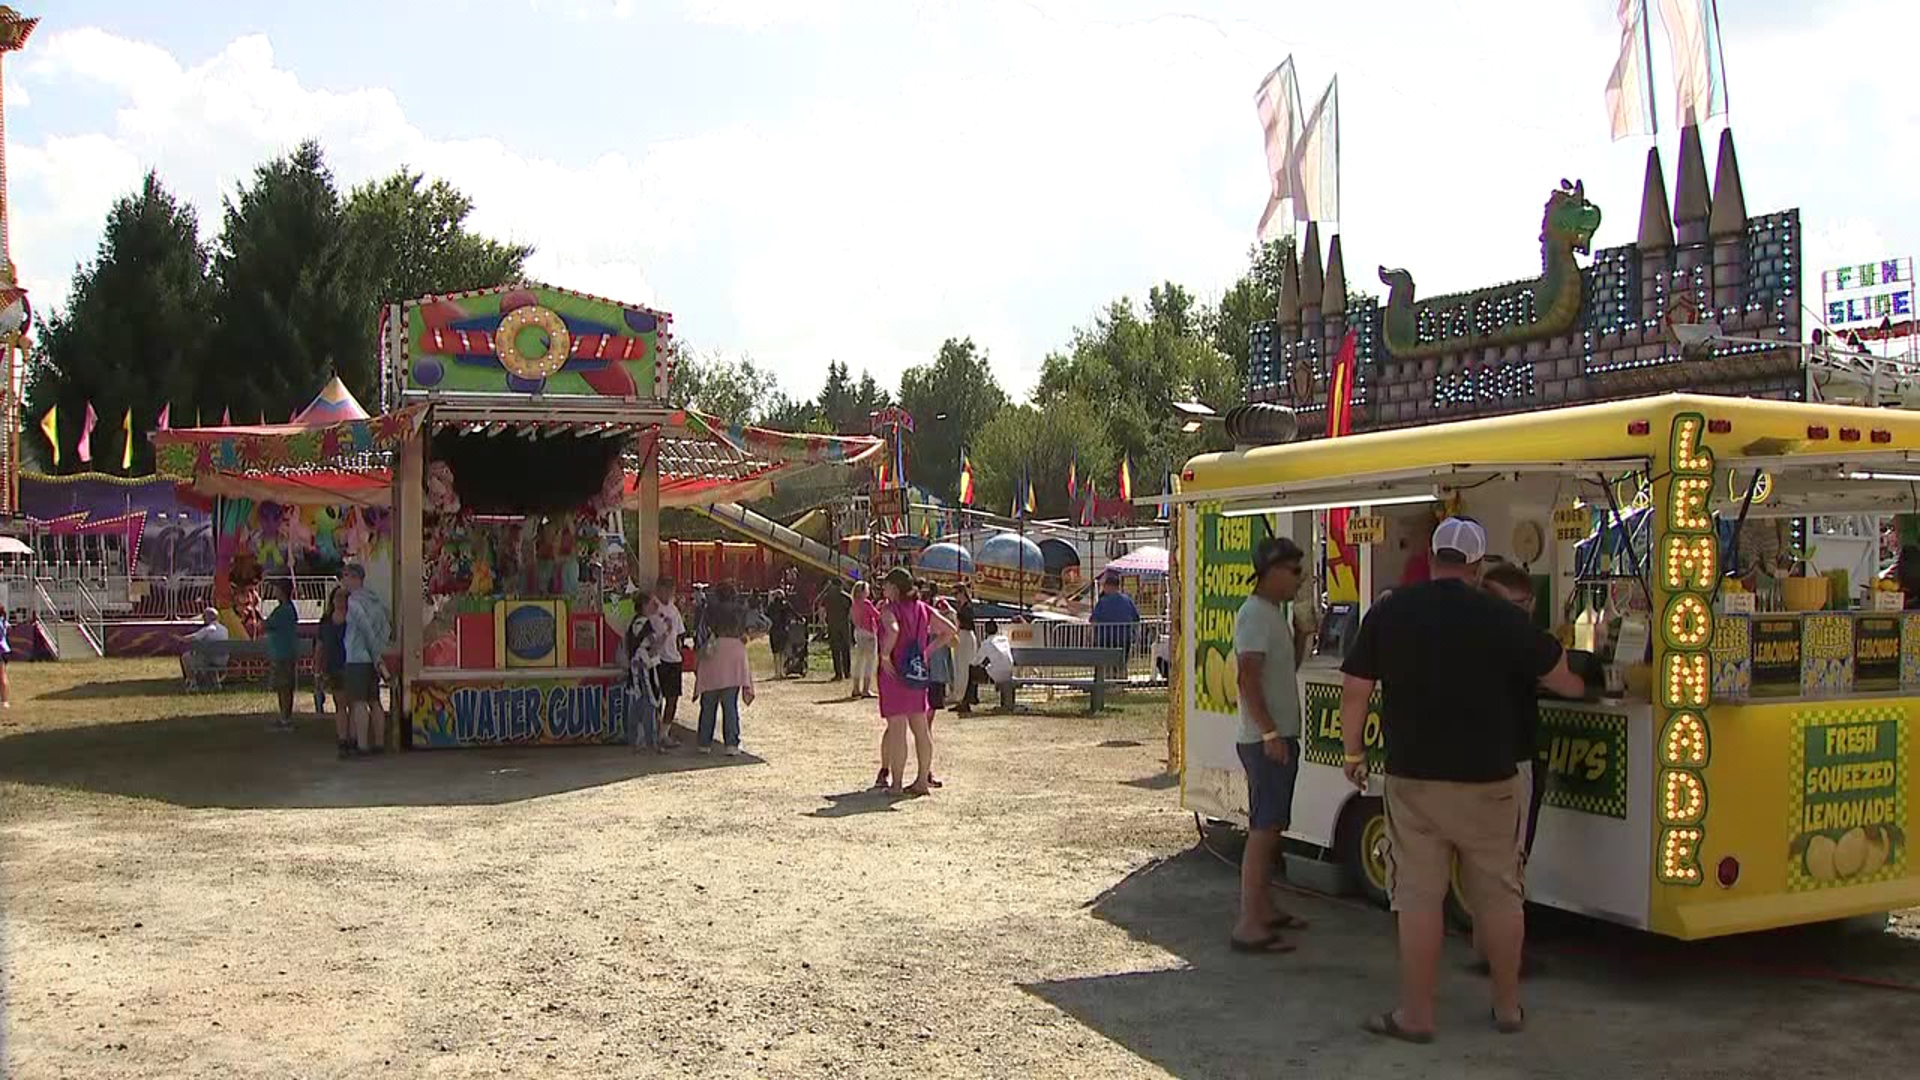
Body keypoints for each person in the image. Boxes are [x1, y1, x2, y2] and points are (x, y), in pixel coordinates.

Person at [1338, 518, 1583, 1043]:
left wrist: (1353, 752)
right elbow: (1564, 678)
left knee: (1419, 900)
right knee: (1499, 896)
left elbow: (1355, 688)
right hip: (1489, 781)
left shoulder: (1391, 611)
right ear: (1475, 567)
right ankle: (1508, 1007)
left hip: (1414, 781)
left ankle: (1417, 1016)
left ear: (1431, 557)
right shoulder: (1502, 617)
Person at [1228, 538, 1313, 955]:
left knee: (1273, 825)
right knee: (1264, 829)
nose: (1300, 581)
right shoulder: (1255, 616)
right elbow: (1247, 678)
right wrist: (1269, 733)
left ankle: (1265, 907)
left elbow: (1282, 671)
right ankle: (1249, 922)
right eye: (1295, 572)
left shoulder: (1271, 615)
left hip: (1274, 736)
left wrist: (1301, 637)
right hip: (1266, 741)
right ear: (1272, 572)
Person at [875, 567, 955, 796]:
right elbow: (949, 631)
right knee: (921, 728)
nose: (883, 588)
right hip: (917, 671)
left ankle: (897, 784)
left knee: (897, 729)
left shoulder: (890, 609)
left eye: (886, 584)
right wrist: (926, 652)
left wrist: (885, 655)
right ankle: (922, 780)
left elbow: (892, 630)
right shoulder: (923, 608)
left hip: (895, 674)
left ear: (895, 588)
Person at [693, 582, 759, 754]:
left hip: (713, 650)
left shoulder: (709, 610)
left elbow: (700, 633)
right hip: (735, 652)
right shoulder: (741, 610)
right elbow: (763, 623)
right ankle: (731, 743)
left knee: (708, 702)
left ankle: (704, 743)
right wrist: (747, 636)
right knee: (730, 704)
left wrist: (698, 653)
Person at [341, 564, 391, 759]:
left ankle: (362, 745)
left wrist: (375, 655)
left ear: (355, 578)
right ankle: (379, 742)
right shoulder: (375, 601)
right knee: (375, 700)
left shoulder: (354, 602)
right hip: (372, 658)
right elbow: (385, 628)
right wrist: (379, 653)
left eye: (346, 576)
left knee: (359, 702)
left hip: (357, 658)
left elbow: (365, 629)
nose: (343, 580)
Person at [625, 594, 667, 753]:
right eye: (651, 603)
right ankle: (649, 741)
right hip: (645, 667)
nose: (654, 606)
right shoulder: (643, 623)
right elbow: (654, 646)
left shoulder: (635, 622)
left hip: (639, 665)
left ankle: (638, 740)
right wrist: (666, 632)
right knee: (648, 702)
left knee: (639, 702)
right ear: (644, 605)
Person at [651, 578, 688, 748]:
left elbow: (681, 633)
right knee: (656, 698)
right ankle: (653, 730)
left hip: (673, 659)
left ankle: (665, 733)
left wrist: (680, 648)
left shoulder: (674, 610)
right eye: (664, 589)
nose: (667, 594)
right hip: (657, 660)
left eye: (670, 590)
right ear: (659, 589)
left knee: (672, 698)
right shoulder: (652, 607)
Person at [263, 579, 299, 732]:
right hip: (285, 652)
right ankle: (285, 716)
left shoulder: (283, 610)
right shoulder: (289, 609)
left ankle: (286, 718)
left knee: (284, 687)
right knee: (284, 687)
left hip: (282, 653)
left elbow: (267, 625)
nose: (275, 592)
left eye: (277, 589)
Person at [320, 587, 351, 753]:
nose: (340, 600)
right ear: (332, 600)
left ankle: (353, 738)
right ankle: (343, 738)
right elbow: (320, 645)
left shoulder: (354, 619)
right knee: (340, 704)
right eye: (338, 597)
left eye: (344, 597)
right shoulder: (326, 621)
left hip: (351, 665)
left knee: (353, 704)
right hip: (334, 666)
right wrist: (318, 668)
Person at [179, 607, 230, 690]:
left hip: (210, 660)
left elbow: (193, 638)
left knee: (186, 656)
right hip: (223, 660)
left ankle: (193, 683)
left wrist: (180, 638)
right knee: (210, 655)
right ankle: (216, 683)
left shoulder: (208, 629)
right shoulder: (225, 629)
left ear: (207, 617)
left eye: (204, 617)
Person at [950, 585, 978, 714]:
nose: (955, 596)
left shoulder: (968, 607)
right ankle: (960, 697)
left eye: (956, 593)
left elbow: (966, 622)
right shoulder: (962, 607)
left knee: (965, 667)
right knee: (959, 667)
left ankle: (965, 698)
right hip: (961, 635)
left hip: (966, 636)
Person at [850, 580, 880, 700]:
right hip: (868, 633)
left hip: (858, 631)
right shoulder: (866, 603)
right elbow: (876, 615)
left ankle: (856, 687)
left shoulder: (854, 603)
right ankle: (866, 689)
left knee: (859, 661)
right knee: (869, 662)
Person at [819, 578, 854, 681]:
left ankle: (838, 674)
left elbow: (821, 609)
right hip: (844, 625)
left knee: (835, 649)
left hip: (832, 625)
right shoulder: (847, 597)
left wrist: (822, 622)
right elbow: (852, 612)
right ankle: (847, 672)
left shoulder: (828, 596)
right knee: (846, 649)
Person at [765, 589, 795, 678]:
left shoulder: (771, 606)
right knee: (782, 651)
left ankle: (777, 672)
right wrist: (801, 619)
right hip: (783, 629)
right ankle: (781, 671)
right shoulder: (785, 605)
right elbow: (793, 612)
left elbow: (766, 614)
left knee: (775, 652)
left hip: (774, 630)